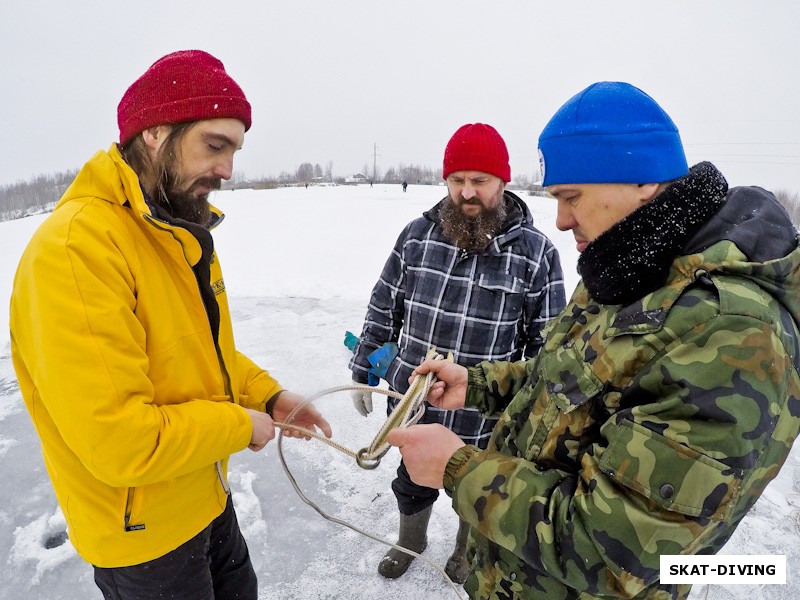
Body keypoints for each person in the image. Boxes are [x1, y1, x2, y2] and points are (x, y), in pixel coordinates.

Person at [387, 81, 800, 600]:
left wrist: (457, 467)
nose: (560, 219)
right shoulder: (629, 263)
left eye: (571, 196)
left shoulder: (733, 332)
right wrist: (478, 384)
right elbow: (569, 379)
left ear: (642, 183)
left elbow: (612, 553)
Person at [9, 50, 332, 600]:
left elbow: (201, 353)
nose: (229, 169)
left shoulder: (176, 230)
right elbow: (120, 443)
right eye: (215, 145)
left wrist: (269, 396)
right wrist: (239, 425)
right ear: (156, 133)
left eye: (234, 149)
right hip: (143, 540)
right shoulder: (78, 249)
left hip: (203, 494)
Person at [348, 123, 566, 582]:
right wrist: (365, 362)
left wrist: (528, 410)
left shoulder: (536, 254)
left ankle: (466, 552)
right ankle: (412, 539)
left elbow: (545, 346)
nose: (467, 193)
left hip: (484, 413)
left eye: (480, 181)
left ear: (502, 183)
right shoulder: (416, 237)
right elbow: (385, 303)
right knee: (410, 482)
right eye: (457, 180)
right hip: (415, 401)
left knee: (478, 488)